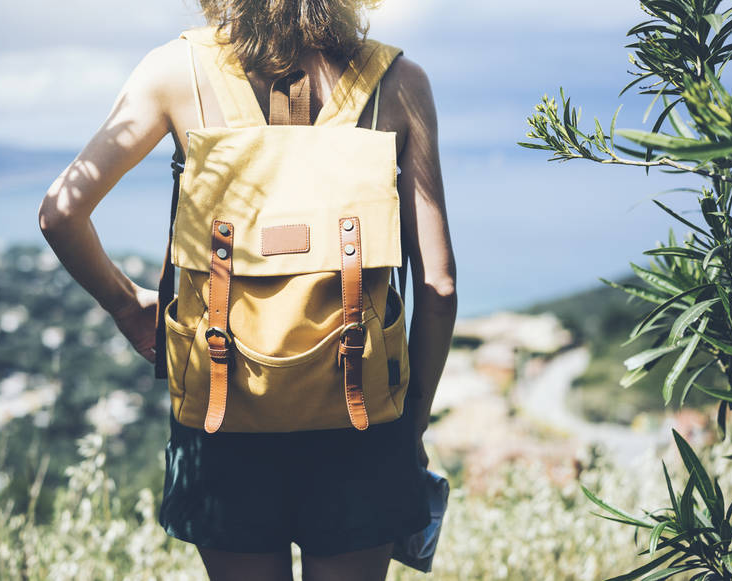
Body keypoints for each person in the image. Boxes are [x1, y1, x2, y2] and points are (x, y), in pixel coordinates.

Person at [38, 1, 457, 579]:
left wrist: (126, 304)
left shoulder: (173, 71)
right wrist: (411, 427)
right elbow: (438, 286)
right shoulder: (399, 83)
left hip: (222, 406)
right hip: (362, 419)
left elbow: (61, 214)